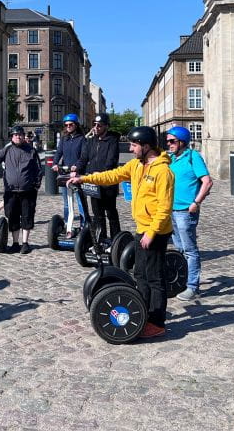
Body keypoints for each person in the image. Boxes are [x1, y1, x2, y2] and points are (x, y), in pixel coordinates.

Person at [69, 126, 174, 338]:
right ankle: (144, 311)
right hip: (141, 229)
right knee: (140, 274)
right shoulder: (136, 165)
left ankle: (157, 322)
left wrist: (152, 233)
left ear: (146, 146)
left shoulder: (163, 172)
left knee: (154, 278)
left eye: (134, 145)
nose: (131, 148)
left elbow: (164, 207)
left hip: (156, 232)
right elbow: (112, 175)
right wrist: (84, 178)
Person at [0, 126, 42, 254]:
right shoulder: (7, 150)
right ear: (12, 137)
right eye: (16, 135)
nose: (18, 137)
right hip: (11, 192)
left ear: (23, 136)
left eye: (21, 135)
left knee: (27, 217)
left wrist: (35, 186)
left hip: (27, 191)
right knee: (13, 217)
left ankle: (25, 243)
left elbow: (38, 170)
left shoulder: (31, 151)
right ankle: (15, 243)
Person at [165, 126, 213, 302]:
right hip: (171, 210)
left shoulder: (193, 157)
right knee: (179, 249)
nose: (169, 144)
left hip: (186, 211)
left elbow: (207, 182)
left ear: (182, 142)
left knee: (190, 250)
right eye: (168, 141)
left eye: (172, 141)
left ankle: (192, 286)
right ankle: (182, 281)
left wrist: (196, 202)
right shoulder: (170, 158)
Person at [75, 112, 121, 242]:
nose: (96, 127)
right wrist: (76, 168)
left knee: (111, 212)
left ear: (106, 126)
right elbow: (83, 158)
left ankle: (116, 239)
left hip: (108, 183)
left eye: (99, 125)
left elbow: (111, 161)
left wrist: (101, 174)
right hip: (94, 183)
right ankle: (100, 238)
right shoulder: (90, 141)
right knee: (97, 214)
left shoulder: (112, 141)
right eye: (94, 124)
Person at [52, 113, 88, 227]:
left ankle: (84, 224)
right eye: (66, 125)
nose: (68, 126)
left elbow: (84, 157)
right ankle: (68, 224)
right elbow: (59, 152)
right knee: (67, 202)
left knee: (80, 200)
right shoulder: (64, 139)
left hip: (77, 174)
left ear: (76, 125)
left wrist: (77, 166)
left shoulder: (82, 139)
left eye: (70, 124)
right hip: (66, 173)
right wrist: (55, 163)